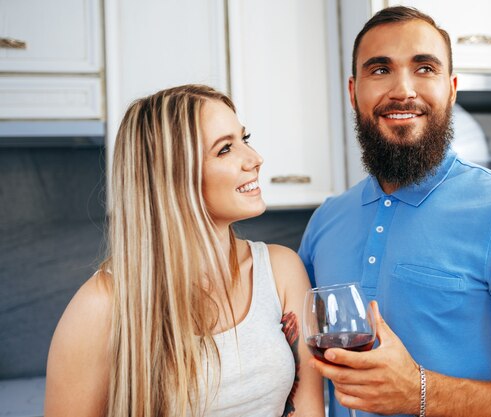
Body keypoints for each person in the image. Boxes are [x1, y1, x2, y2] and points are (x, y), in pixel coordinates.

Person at [298, 6, 491, 417]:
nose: (403, 90)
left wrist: (419, 392)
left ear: (452, 88)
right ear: (353, 91)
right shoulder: (326, 221)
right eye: (380, 69)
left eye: (424, 68)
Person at [44, 85, 325, 417]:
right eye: (225, 149)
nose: (255, 159)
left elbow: (308, 409)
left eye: (244, 139)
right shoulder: (103, 305)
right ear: (172, 174)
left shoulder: (281, 270)